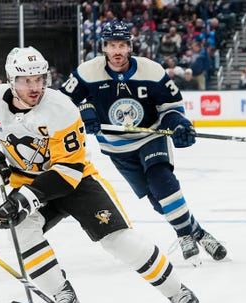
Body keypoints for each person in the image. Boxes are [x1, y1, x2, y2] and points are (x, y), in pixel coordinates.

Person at [0, 46, 203, 303]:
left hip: (75, 181)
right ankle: (62, 294)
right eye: (26, 80)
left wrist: (23, 200)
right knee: (20, 231)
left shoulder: (60, 109)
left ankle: (176, 290)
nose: (34, 87)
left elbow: (67, 171)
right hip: (26, 179)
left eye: (39, 79)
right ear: (10, 80)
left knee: (119, 240)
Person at [59, 20, 226, 265]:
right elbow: (60, 103)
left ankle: (183, 235)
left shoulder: (151, 71)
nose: (117, 51)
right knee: (159, 201)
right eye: (112, 45)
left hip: (150, 136)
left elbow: (171, 108)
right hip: (117, 148)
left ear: (130, 46)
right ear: (104, 47)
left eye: (122, 45)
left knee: (162, 182)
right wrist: (84, 108)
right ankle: (198, 232)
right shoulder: (87, 72)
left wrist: (178, 124)